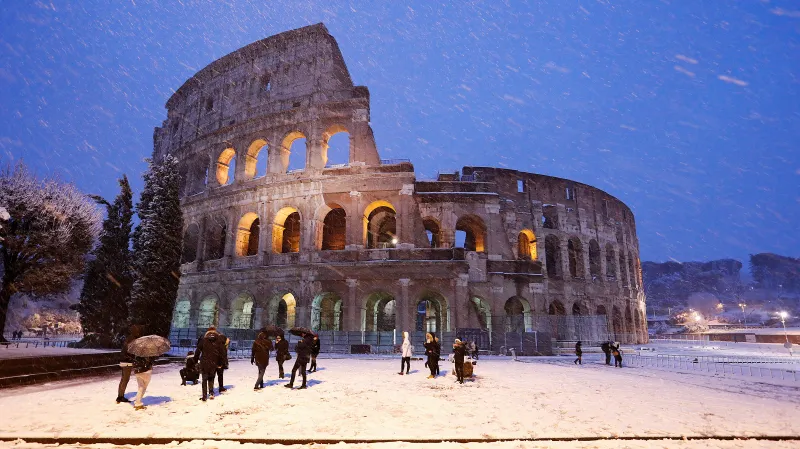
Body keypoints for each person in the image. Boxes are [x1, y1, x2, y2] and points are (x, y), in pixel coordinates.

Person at [194, 326, 224, 401]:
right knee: (211, 377)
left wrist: (195, 360)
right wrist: (220, 363)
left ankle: (204, 396)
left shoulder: (203, 340)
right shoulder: (218, 341)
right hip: (214, 362)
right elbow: (221, 353)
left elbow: (197, 351)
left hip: (204, 362)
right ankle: (211, 393)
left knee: (204, 379)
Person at [116, 324, 142, 403]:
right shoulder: (132, 340)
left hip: (125, 360)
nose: (139, 333)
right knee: (125, 379)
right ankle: (120, 397)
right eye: (138, 331)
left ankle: (120, 396)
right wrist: (133, 358)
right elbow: (130, 351)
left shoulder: (130, 338)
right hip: (127, 362)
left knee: (124, 379)